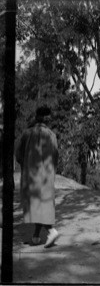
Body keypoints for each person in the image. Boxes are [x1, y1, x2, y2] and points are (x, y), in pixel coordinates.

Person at [15, 106, 60, 248]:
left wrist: (27, 164)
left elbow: (18, 155)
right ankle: (35, 236)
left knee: (35, 206)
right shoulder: (52, 135)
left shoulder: (26, 134)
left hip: (31, 176)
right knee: (43, 206)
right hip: (46, 176)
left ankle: (51, 231)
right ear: (47, 118)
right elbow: (56, 156)